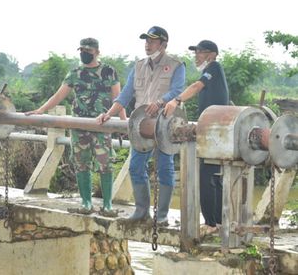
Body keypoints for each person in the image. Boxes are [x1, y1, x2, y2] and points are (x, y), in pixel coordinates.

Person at [26, 38, 126, 216]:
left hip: (102, 124)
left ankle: (107, 205)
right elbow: (59, 95)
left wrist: (122, 123)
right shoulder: (75, 73)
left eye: (88, 50)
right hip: (79, 125)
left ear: (97, 52)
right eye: (81, 50)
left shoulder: (109, 71)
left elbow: (118, 99)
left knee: (106, 164)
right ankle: (86, 203)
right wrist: (41, 110)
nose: (84, 53)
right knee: (81, 163)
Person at [97, 26, 185, 225]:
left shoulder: (176, 65)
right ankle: (141, 210)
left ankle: (161, 215)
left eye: (152, 41)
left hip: (165, 124)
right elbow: (126, 94)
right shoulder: (138, 66)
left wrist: (162, 101)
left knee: (165, 168)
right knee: (136, 167)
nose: (147, 44)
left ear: (163, 44)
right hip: (140, 125)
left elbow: (178, 90)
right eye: (146, 40)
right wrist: (109, 114)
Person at [163, 40, 229, 235]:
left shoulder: (214, 68)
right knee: (214, 177)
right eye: (196, 52)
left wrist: (176, 100)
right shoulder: (210, 71)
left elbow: (196, 86)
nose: (197, 55)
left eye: (201, 52)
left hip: (214, 130)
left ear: (213, 54)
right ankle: (218, 223)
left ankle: (211, 224)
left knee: (207, 177)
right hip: (214, 129)